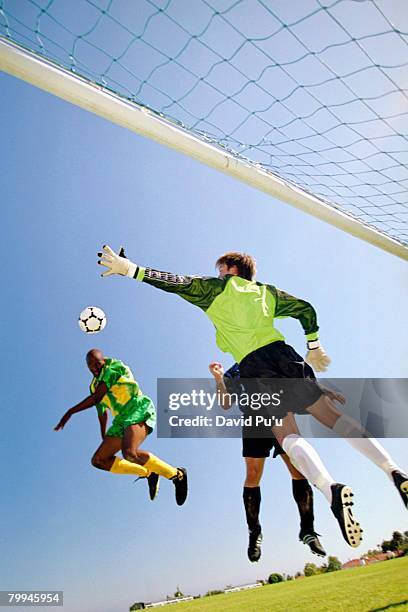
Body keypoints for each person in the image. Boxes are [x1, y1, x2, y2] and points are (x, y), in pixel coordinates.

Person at [97, 246, 408, 546]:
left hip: (254, 367)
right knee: (334, 418)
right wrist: (314, 346)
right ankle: (393, 471)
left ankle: (330, 489)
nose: (216, 274)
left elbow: (175, 283)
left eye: (220, 269)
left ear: (231, 269)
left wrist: (130, 269)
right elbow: (305, 309)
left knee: (286, 435)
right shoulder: (265, 292)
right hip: (286, 355)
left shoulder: (216, 289)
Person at [209, 360, 327, 562]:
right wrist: (219, 379)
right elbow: (226, 403)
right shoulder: (236, 369)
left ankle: (307, 529)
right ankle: (254, 532)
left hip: (280, 413)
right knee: (253, 474)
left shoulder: (269, 354)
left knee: (297, 470)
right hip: (254, 421)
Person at [54, 349, 188, 506]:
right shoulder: (93, 386)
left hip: (137, 408)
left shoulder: (114, 367)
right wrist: (103, 434)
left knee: (129, 453)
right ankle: (148, 472)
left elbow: (97, 397)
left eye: (98, 364)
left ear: (103, 361)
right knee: (98, 460)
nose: (95, 368)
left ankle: (177, 475)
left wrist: (71, 411)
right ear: (87, 367)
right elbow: (102, 411)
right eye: (91, 366)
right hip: (120, 420)